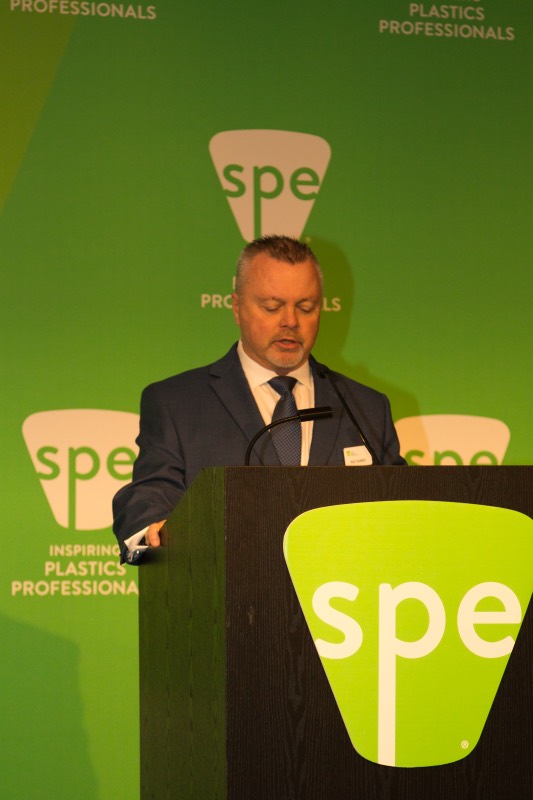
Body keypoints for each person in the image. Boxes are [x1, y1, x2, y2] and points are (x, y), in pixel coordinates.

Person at [113, 235, 406, 563]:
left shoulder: (365, 407)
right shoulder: (176, 403)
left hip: (341, 592)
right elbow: (149, 495)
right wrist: (154, 529)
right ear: (237, 307)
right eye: (272, 307)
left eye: (306, 307)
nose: (291, 321)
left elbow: (404, 506)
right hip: (224, 589)